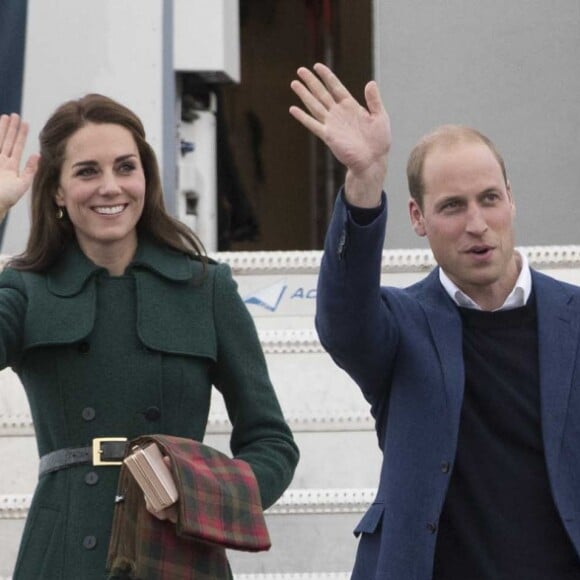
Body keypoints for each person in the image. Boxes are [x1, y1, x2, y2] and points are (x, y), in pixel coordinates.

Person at [290, 63, 580, 579]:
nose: (476, 224)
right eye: (452, 206)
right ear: (418, 219)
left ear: (511, 199)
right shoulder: (401, 326)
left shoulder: (573, 320)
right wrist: (364, 180)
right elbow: (342, 321)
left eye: (489, 198)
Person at [0, 95, 299, 579]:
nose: (110, 187)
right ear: (56, 190)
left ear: (147, 177)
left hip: (177, 552)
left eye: (125, 167)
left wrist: (202, 499)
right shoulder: (26, 290)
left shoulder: (206, 287)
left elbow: (271, 442)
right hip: (63, 554)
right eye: (87, 172)